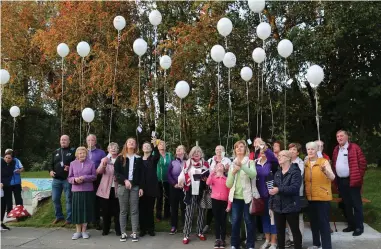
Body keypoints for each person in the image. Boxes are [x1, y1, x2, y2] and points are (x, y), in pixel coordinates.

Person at [332, 130, 367, 236]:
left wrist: (358, 176)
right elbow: (334, 163)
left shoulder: (354, 147)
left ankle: (359, 227)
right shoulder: (336, 149)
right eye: (337, 136)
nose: (339, 138)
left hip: (353, 180)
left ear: (347, 137)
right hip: (341, 181)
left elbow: (363, 163)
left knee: (356, 205)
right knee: (346, 204)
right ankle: (351, 225)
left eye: (341, 136)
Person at [226, 140, 257, 249]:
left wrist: (242, 166)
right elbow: (228, 184)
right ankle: (234, 244)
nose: (239, 148)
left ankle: (250, 245)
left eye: (241, 147)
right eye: (237, 147)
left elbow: (253, 174)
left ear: (245, 149)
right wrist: (233, 172)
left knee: (249, 222)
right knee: (235, 223)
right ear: (235, 150)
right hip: (235, 198)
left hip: (248, 198)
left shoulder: (250, 162)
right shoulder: (231, 164)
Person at [269, 150, 302, 249]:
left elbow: (294, 188)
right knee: (280, 232)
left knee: (295, 230)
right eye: (278, 156)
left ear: (288, 158)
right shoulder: (278, 173)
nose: (279, 157)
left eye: (282, 156)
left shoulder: (295, 172)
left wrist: (279, 189)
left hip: (291, 205)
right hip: (278, 207)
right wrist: (270, 206)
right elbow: (273, 190)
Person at [305, 141, 335, 249]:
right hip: (310, 197)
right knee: (313, 223)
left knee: (323, 223)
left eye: (313, 149)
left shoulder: (324, 161)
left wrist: (325, 171)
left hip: (322, 197)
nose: (310, 151)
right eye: (308, 149)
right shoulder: (306, 163)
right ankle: (316, 244)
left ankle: (327, 246)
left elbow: (332, 177)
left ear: (317, 150)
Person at [114, 137, 144, 243]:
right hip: (123, 186)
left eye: (133, 142)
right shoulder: (120, 158)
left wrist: (141, 187)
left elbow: (141, 175)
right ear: (126, 145)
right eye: (129, 142)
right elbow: (116, 173)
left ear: (135, 146)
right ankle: (123, 232)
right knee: (123, 210)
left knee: (134, 210)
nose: (131, 143)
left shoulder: (139, 158)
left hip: (135, 187)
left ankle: (134, 232)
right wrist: (125, 180)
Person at [178, 146, 210, 244]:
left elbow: (210, 175)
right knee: (189, 213)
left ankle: (199, 232)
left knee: (201, 213)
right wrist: (180, 181)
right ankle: (186, 234)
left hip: (201, 191)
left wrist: (206, 179)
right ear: (191, 153)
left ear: (201, 154)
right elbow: (182, 174)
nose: (196, 153)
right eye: (194, 152)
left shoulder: (205, 163)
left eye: (198, 152)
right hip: (190, 191)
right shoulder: (187, 163)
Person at [68, 147, 97, 240]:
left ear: (86, 154)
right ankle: (78, 231)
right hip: (76, 190)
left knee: (85, 211)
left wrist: (84, 177)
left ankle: (84, 231)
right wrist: (75, 180)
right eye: (80, 153)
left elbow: (94, 177)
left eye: (84, 153)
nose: (82, 155)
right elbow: (69, 178)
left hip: (87, 190)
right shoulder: (72, 163)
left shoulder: (91, 163)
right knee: (77, 211)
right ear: (76, 155)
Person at [203, 145, 231, 234]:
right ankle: (208, 225)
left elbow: (230, 174)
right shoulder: (211, 160)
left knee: (222, 210)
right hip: (212, 188)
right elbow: (207, 171)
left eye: (221, 149)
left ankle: (222, 230)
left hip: (223, 187)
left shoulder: (227, 160)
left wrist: (226, 170)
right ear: (215, 151)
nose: (219, 151)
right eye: (217, 149)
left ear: (224, 151)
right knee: (211, 208)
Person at [255, 142, 278, 249]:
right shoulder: (256, 163)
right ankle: (267, 240)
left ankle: (274, 242)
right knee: (264, 219)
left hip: (271, 196)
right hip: (260, 196)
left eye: (265, 151)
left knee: (272, 219)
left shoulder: (272, 163)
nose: (263, 153)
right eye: (261, 151)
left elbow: (273, 158)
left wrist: (265, 148)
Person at [49, 135, 76, 225]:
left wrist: (70, 167)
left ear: (69, 141)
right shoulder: (55, 152)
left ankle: (69, 218)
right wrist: (51, 171)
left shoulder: (73, 151)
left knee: (69, 199)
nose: (63, 141)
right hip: (56, 180)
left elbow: (77, 163)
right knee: (55, 198)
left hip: (67, 179)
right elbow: (50, 164)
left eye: (65, 140)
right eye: (62, 140)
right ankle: (59, 216)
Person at [96, 142, 121, 236]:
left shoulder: (122, 159)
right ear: (108, 149)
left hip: (117, 189)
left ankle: (118, 230)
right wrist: (103, 164)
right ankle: (105, 229)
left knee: (117, 211)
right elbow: (98, 171)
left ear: (118, 149)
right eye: (111, 147)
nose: (113, 149)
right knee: (106, 211)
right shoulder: (105, 159)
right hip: (105, 189)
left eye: (115, 147)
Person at [139, 138, 160, 237]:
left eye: (148, 146)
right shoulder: (138, 159)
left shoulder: (153, 159)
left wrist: (155, 144)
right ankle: (142, 229)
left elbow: (157, 155)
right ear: (142, 149)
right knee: (142, 209)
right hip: (141, 188)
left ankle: (151, 229)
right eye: (145, 146)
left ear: (151, 149)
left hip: (151, 188)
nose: (147, 147)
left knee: (150, 209)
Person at [285, 143, 305, 248]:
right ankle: (291, 238)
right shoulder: (286, 161)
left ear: (297, 152)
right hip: (286, 193)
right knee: (289, 217)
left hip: (297, 194)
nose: (291, 151)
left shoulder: (300, 163)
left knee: (299, 218)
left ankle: (299, 239)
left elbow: (297, 176)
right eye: (290, 149)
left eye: (294, 150)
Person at [207, 162, 230, 249]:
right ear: (215, 169)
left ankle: (223, 239)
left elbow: (229, 192)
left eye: (221, 166)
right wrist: (212, 172)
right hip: (215, 201)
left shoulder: (226, 179)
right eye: (218, 166)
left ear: (224, 169)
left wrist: (229, 205)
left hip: (224, 201)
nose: (219, 167)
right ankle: (217, 239)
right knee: (217, 220)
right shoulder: (213, 178)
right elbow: (208, 182)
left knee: (223, 220)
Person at [86, 134, 106, 230]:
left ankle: (97, 221)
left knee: (97, 201)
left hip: (98, 179)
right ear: (86, 141)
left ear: (95, 141)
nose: (90, 142)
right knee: (87, 201)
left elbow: (105, 165)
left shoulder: (101, 152)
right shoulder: (83, 151)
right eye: (89, 140)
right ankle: (87, 222)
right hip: (85, 181)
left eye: (92, 140)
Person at [167, 145, 187, 235]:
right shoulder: (172, 162)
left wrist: (184, 184)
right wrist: (174, 184)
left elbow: (189, 174)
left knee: (184, 207)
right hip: (174, 187)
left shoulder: (187, 162)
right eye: (177, 150)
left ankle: (185, 225)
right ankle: (174, 226)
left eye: (180, 149)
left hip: (184, 188)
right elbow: (168, 175)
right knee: (174, 207)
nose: (178, 151)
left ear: (184, 151)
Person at [155, 140, 173, 221]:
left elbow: (173, 165)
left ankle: (167, 214)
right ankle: (158, 216)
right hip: (158, 179)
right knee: (159, 197)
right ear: (158, 146)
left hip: (168, 180)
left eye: (163, 144)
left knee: (168, 197)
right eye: (160, 144)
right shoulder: (155, 154)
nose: (162, 145)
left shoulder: (169, 155)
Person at [3, 149, 24, 214]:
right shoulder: (2, 161)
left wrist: (19, 171)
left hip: (17, 183)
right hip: (7, 183)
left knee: (18, 198)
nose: (8, 157)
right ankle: (9, 213)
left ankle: (20, 212)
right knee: (8, 199)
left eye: (10, 153)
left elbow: (22, 168)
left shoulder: (17, 160)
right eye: (7, 153)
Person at [1, 156, 15, 230]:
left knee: (3, 205)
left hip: (5, 186)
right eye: (6, 157)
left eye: (9, 158)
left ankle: (1, 223)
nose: (7, 159)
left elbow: (8, 175)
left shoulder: (13, 164)